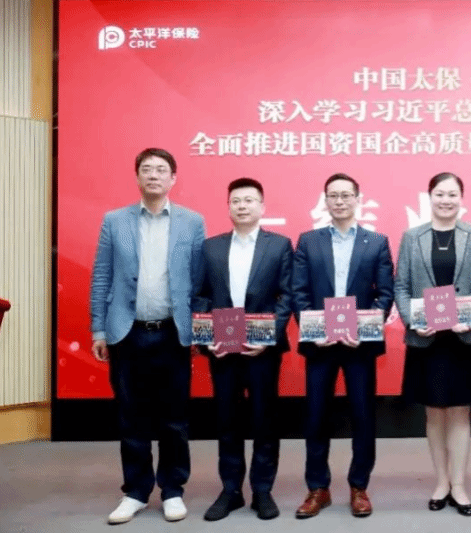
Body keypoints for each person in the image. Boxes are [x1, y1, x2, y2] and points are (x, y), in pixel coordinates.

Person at [89, 148, 205, 524]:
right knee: (131, 417)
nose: (154, 175)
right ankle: (136, 492)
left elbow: (200, 280)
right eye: (147, 169)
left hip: (173, 333)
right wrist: (99, 328)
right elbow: (102, 275)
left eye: (161, 170)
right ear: (137, 176)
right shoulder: (114, 221)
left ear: (173, 178)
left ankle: (173, 490)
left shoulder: (192, 222)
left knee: (175, 418)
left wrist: (200, 328)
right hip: (127, 333)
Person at [293, 173, 394, 519]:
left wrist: (365, 329)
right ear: (326, 201)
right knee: (316, 416)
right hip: (320, 343)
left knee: (363, 416)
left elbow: (385, 294)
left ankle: (359, 486)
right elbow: (299, 292)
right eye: (333, 195)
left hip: (358, 345)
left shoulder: (376, 242)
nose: (339, 201)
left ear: (357, 199)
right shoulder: (308, 241)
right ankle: (317, 488)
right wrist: (312, 330)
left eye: (346, 195)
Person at [394, 172, 471, 517]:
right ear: (430, 197)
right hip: (427, 339)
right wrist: (413, 320)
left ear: (461, 198)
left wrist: (469, 315)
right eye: (440, 194)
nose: (446, 200)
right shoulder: (412, 237)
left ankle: (460, 485)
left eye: (452, 194)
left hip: (463, 337)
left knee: (461, 412)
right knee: (434, 412)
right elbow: (401, 286)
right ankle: (441, 483)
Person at [194, 178, 293, 521]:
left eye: (249, 200)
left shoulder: (279, 245)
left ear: (262, 207)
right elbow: (200, 295)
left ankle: (262, 490)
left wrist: (268, 336)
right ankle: (231, 490)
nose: (242, 206)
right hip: (223, 349)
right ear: (228, 207)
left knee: (265, 420)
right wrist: (206, 337)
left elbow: (287, 296)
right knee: (227, 420)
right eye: (236, 200)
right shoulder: (211, 247)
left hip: (262, 350)